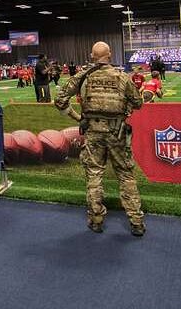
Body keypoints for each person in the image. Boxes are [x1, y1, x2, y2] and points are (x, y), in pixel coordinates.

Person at [55, 41, 146, 237]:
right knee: (126, 175)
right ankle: (136, 221)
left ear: (92, 56)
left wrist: (77, 117)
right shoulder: (122, 77)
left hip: (93, 133)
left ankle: (96, 220)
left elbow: (60, 100)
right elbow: (138, 103)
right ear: (110, 55)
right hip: (117, 133)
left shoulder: (82, 76)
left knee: (94, 175)